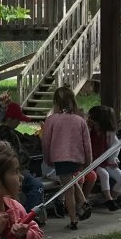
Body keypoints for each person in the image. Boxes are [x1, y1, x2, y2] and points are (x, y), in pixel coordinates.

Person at [41, 86, 92, 231]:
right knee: (71, 181)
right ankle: (83, 202)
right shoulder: (80, 120)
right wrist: (88, 162)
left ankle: (73, 220)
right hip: (77, 158)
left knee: (67, 189)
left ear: (56, 102)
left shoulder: (51, 120)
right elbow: (87, 144)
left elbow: (46, 142)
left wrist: (48, 158)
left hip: (60, 158)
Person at [0, 102, 45, 221]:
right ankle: (27, 217)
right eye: (17, 119)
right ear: (10, 119)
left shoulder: (4, 131)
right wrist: (40, 138)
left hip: (16, 170)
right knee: (37, 187)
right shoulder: (6, 133)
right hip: (15, 170)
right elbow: (22, 149)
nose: (19, 122)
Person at [87, 105, 121, 211]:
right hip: (93, 163)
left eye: (91, 116)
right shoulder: (89, 130)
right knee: (104, 175)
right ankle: (109, 199)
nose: (89, 118)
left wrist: (113, 159)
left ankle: (112, 200)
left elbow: (116, 146)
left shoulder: (109, 133)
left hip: (105, 161)